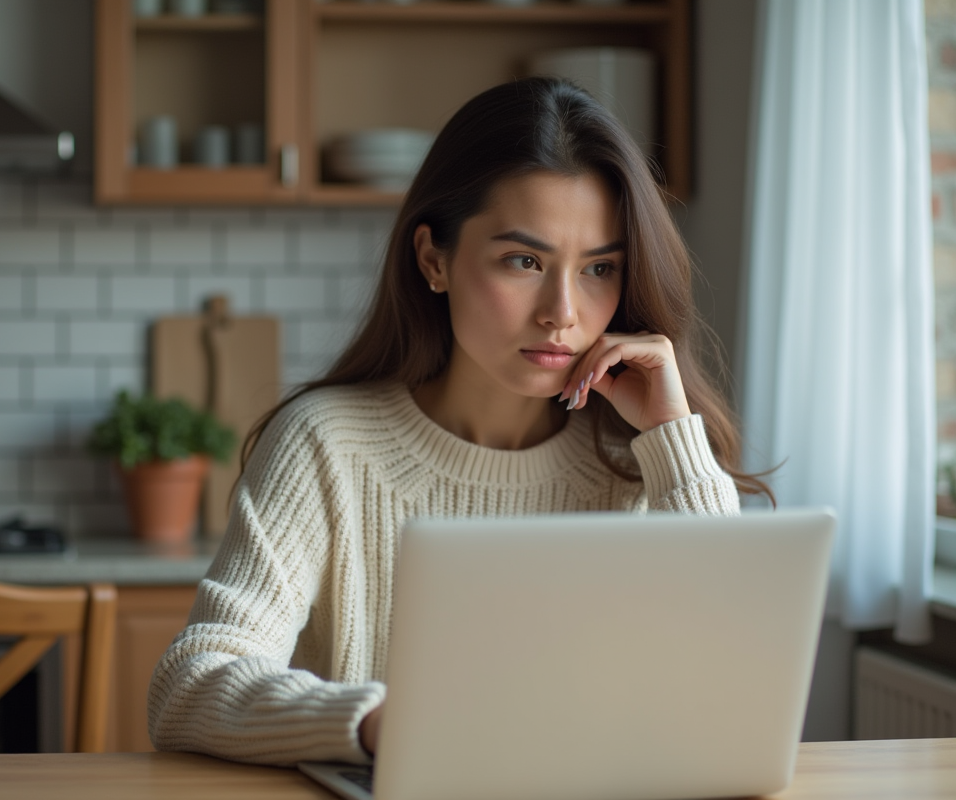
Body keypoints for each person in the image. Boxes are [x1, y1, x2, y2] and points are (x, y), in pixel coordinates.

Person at [146, 77, 772, 767]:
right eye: (524, 261)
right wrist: (383, 724)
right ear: (433, 260)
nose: (562, 311)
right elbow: (190, 685)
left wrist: (673, 440)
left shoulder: (642, 460)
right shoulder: (327, 444)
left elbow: (734, 687)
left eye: (598, 268)